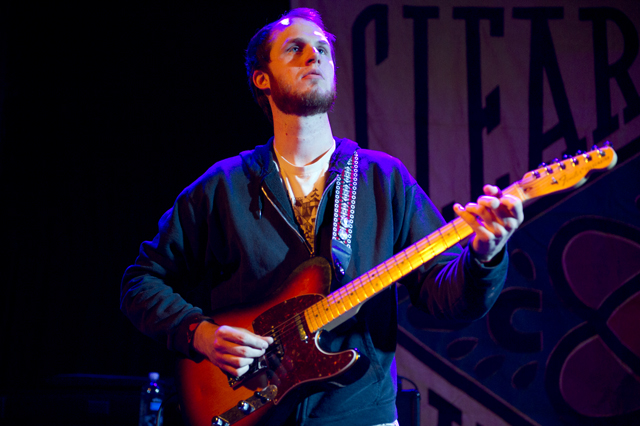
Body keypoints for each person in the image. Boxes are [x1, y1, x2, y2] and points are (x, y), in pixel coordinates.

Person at [120, 7, 523, 426]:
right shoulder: (223, 185)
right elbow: (140, 282)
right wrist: (200, 334)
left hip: (361, 416)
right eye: (295, 49)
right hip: (249, 412)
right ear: (262, 78)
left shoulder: (383, 178)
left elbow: (449, 299)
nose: (314, 56)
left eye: (322, 49)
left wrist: (485, 257)